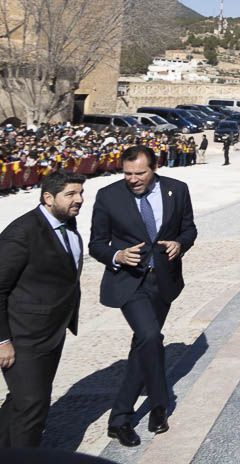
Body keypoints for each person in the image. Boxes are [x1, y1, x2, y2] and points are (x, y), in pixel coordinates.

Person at [88, 145, 197, 447]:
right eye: (127, 173)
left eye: (139, 173)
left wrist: (180, 244)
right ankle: (160, 402)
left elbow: (189, 229)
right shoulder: (109, 196)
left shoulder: (178, 190)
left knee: (142, 345)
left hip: (162, 281)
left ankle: (119, 418)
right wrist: (117, 254)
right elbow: (96, 244)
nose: (132, 179)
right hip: (128, 283)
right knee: (150, 336)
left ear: (154, 168)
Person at [0, 172, 85, 449]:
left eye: (80, 193)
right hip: (23, 337)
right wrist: (2, 341)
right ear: (48, 198)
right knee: (33, 408)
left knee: (23, 400)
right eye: (71, 194)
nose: (79, 199)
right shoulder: (21, 233)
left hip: (51, 332)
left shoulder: (67, 223)